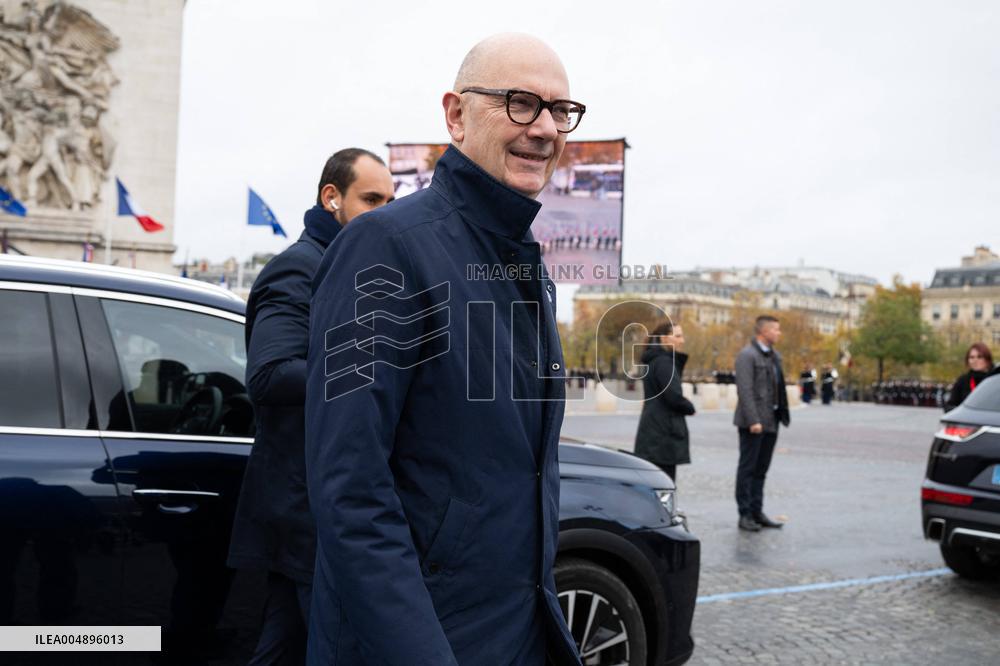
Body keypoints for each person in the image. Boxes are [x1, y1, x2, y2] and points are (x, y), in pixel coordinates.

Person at [304, 34, 585, 665]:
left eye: (560, 111)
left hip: (511, 635)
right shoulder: (382, 248)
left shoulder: (528, 268)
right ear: (455, 115)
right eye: (518, 103)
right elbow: (351, 488)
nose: (544, 128)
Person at [227, 148, 394, 665]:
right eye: (371, 199)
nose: (384, 211)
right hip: (305, 511)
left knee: (287, 646)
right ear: (331, 198)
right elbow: (270, 374)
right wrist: (376, 364)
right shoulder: (299, 269)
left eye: (390, 201)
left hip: (323, 507)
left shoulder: (346, 268)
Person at [733, 315, 790, 532]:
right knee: (747, 468)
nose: (779, 333)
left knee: (761, 470)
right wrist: (753, 420)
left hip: (771, 420)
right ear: (763, 332)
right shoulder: (747, 356)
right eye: (775, 329)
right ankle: (744, 514)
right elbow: (745, 390)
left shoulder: (775, 356)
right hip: (753, 422)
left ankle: (757, 511)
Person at [634, 321, 696, 482]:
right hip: (663, 432)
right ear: (664, 338)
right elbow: (673, 396)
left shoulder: (655, 360)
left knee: (654, 481)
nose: (682, 340)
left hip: (654, 429)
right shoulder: (664, 362)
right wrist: (689, 407)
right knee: (664, 483)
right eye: (677, 336)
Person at [944, 343, 994, 411]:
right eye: (971, 357)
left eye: (979, 357)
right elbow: (949, 406)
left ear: (988, 360)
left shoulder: (995, 379)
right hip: (967, 420)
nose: (975, 360)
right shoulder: (962, 381)